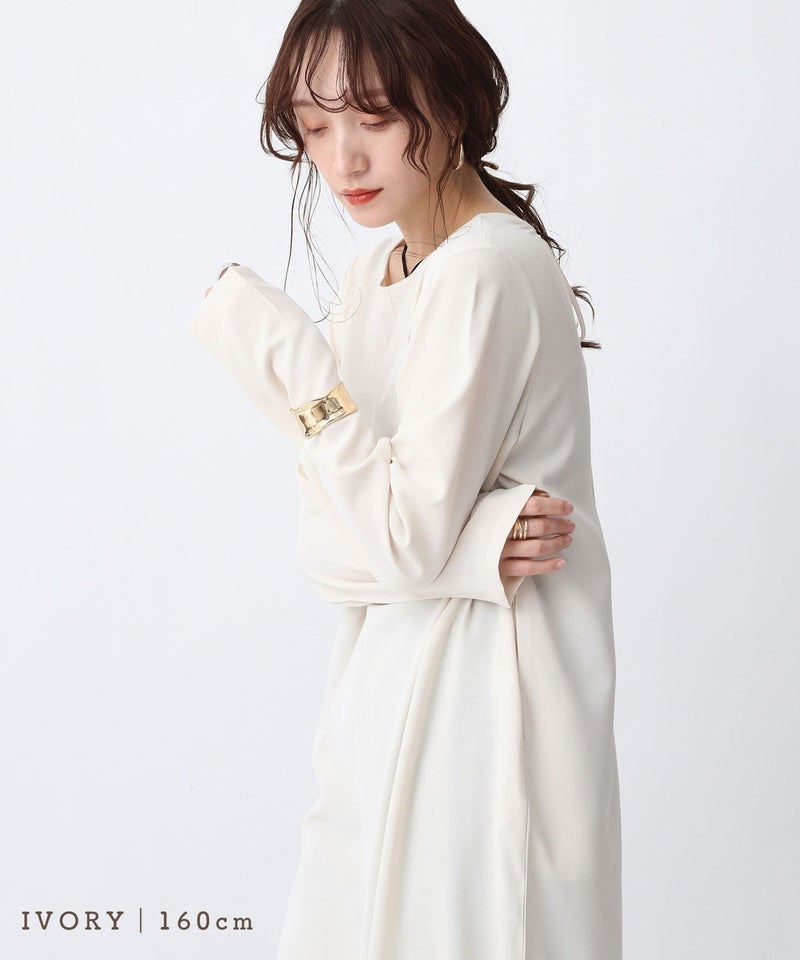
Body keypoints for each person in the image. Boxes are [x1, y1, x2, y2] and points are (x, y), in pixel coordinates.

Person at [189, 1, 622, 957]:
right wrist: (472, 548)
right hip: (384, 690)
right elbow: (329, 550)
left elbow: (393, 538)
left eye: (375, 117)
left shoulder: (487, 271)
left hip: (489, 706)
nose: (343, 157)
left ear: (452, 102)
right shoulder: (373, 276)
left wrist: (296, 368)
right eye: (314, 126)